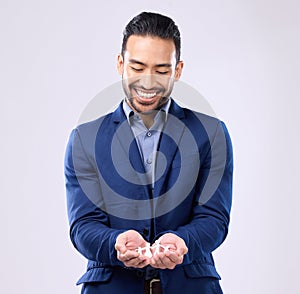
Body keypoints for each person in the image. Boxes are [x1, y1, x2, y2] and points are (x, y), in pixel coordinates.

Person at [65, 12, 233, 294]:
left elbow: (214, 219)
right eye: (138, 67)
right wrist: (115, 243)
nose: (148, 82)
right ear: (121, 64)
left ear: (178, 70)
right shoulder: (85, 139)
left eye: (162, 70)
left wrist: (183, 242)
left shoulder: (211, 133)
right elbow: (83, 225)